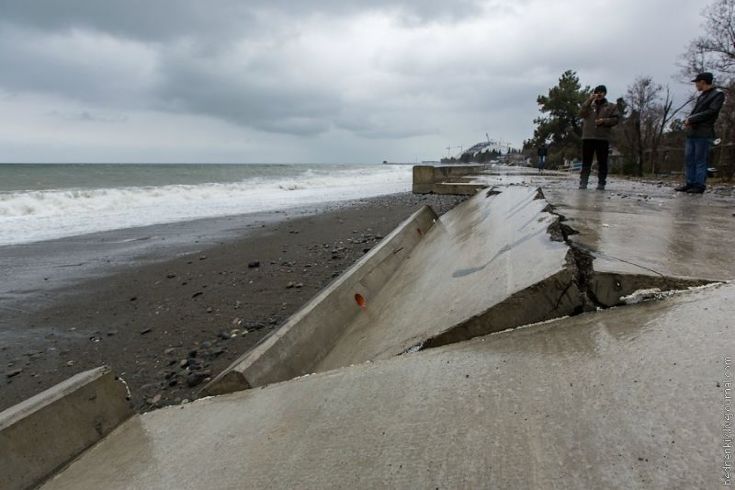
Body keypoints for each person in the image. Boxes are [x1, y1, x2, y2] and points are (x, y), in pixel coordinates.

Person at [675, 72, 725, 194]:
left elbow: (712, 111)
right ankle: (690, 182)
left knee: (700, 159)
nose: (696, 85)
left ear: (702, 82)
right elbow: (696, 111)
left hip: (704, 132)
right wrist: (689, 120)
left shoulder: (717, 94)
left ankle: (699, 185)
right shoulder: (702, 96)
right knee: (689, 159)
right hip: (693, 132)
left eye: (697, 82)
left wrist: (692, 119)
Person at [579, 85, 619, 190]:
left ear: (605, 93)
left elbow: (616, 120)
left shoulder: (611, 106)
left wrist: (604, 121)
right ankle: (583, 182)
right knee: (586, 162)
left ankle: (601, 183)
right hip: (588, 137)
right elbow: (582, 113)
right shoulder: (589, 106)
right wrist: (589, 100)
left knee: (602, 162)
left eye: (601, 92)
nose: (599, 94)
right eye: (597, 92)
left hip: (602, 138)